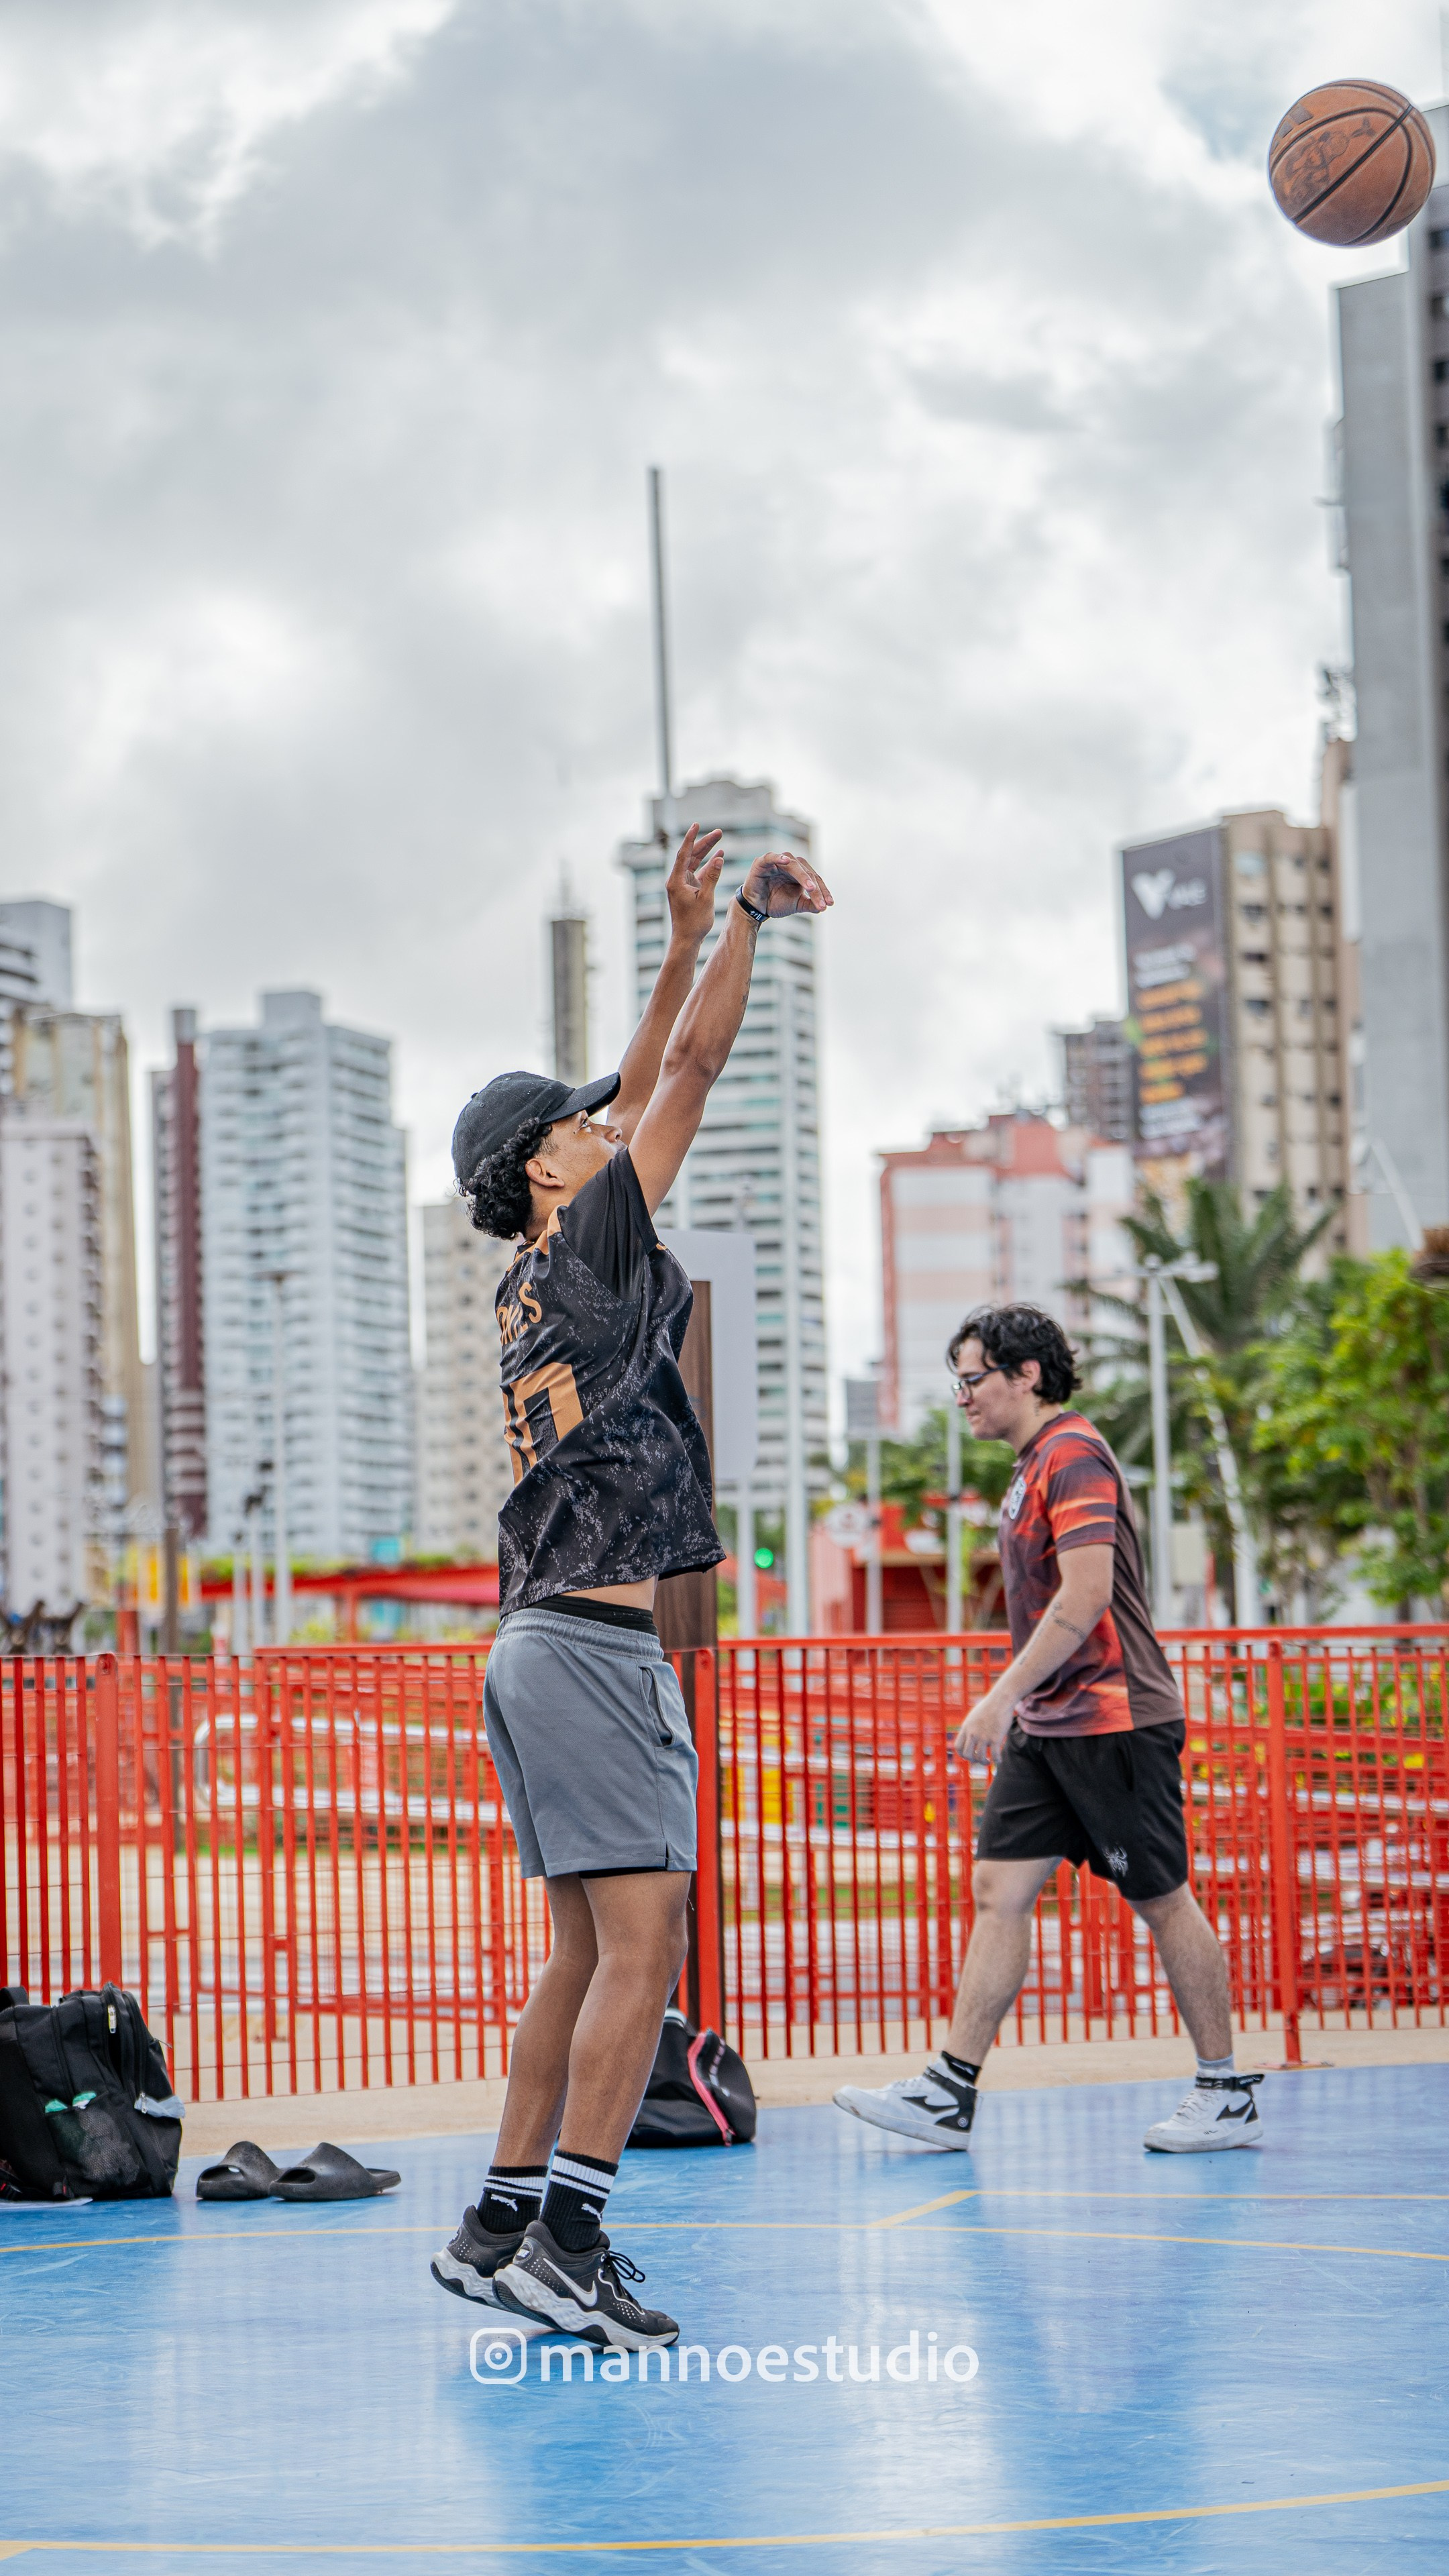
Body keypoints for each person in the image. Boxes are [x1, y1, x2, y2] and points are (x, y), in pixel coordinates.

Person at [431, 823, 833, 2351]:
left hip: (530, 1640)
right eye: (580, 1125)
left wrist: (668, 944)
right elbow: (686, 1076)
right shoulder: (591, 1244)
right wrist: (743, 916)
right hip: (594, 1647)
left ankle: (493, 2223)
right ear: (547, 1164)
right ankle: (569, 2239)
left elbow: (637, 1070)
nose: (611, 1126)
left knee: (584, 1954)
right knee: (642, 1945)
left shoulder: (531, 1273)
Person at [835, 1303, 1263, 2157]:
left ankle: (1225, 2090)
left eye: (972, 1378)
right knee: (1001, 1890)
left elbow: (1087, 1595)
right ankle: (948, 2093)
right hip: (1051, 1726)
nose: (962, 1397)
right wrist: (1021, 1707)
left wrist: (997, 1699)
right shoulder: (1033, 1464)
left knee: (1161, 1899)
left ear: (1025, 1375)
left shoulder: (1072, 1457)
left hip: (1113, 1719)